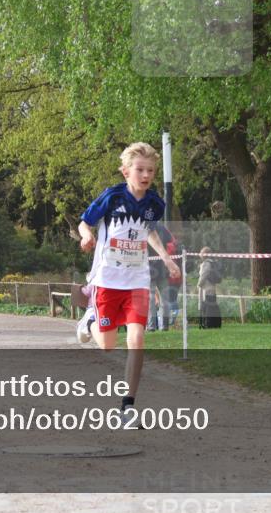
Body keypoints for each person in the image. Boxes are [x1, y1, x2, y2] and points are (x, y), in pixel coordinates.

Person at [75, 142, 180, 426]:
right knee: (108, 345)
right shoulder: (112, 197)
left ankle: (128, 407)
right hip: (108, 278)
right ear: (126, 171)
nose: (145, 175)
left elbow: (149, 233)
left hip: (137, 279)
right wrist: (86, 236)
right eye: (140, 170)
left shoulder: (154, 203)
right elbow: (85, 222)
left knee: (137, 339)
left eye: (151, 171)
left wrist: (167, 259)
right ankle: (89, 322)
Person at [147, 224, 178, 331]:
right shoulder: (162, 228)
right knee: (165, 300)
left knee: (150, 300)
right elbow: (172, 241)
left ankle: (151, 327)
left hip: (148, 269)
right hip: (162, 269)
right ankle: (164, 326)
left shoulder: (144, 226)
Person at [197, 246, 222, 329]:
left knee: (207, 307)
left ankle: (208, 323)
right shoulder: (212, 263)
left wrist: (199, 284)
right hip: (212, 287)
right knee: (212, 305)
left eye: (201, 252)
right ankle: (214, 324)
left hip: (206, 288)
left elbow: (203, 275)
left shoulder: (206, 264)